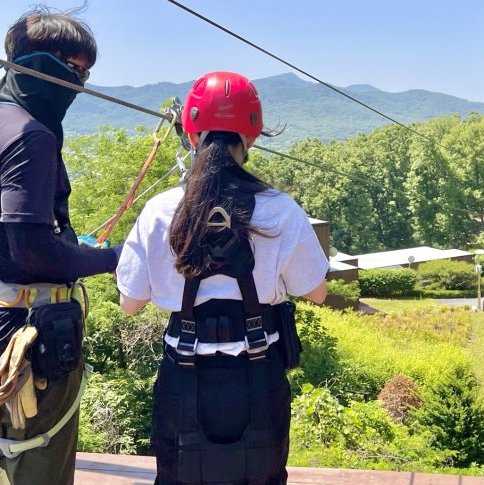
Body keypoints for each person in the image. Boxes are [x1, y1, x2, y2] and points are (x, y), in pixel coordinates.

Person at [117, 70, 328, 485]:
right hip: (259, 372)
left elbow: (130, 303)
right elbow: (317, 292)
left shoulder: (161, 210)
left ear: (192, 134)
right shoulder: (280, 209)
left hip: (184, 374)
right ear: (251, 136)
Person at [0, 6, 120, 485]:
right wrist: (113, 258)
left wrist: (70, 246)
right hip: (30, 337)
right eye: (74, 70)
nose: (79, 83)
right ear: (40, 63)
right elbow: (31, 251)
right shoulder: (30, 136)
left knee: (18, 455)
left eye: (87, 73)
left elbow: (16, 236)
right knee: (40, 461)